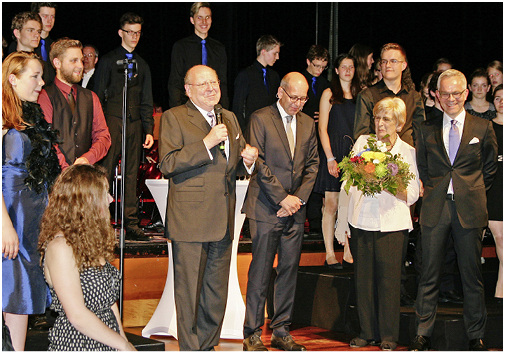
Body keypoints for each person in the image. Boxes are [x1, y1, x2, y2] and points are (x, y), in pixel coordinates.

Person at [158, 65, 258, 351]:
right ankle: (190, 348)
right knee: (189, 293)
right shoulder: (174, 117)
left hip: (223, 219)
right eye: (202, 84)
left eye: (214, 82)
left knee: (215, 293)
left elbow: (233, 165)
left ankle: (207, 346)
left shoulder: (229, 118)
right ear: (188, 90)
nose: (211, 88)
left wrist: (247, 160)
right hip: (190, 220)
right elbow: (168, 164)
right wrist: (206, 143)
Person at [410, 69, 498, 351]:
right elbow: (422, 168)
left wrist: (470, 191)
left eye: (456, 93)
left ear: (466, 94)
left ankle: (476, 334)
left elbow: (489, 169)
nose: (451, 99)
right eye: (445, 93)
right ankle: (422, 333)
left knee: (471, 275)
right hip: (435, 208)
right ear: (436, 94)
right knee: (428, 273)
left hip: (469, 209)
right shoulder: (425, 129)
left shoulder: (483, 128)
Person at [336, 97, 420, 351]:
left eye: (386, 119)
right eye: (377, 118)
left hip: (392, 224)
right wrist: (343, 221)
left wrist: (391, 185)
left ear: (399, 123)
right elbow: (348, 182)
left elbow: (414, 193)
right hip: (362, 220)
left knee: (389, 282)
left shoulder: (408, 151)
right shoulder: (363, 143)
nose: (380, 123)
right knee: (363, 280)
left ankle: (388, 336)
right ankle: (366, 332)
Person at [242, 72, 319, 351]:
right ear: (280, 92)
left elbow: (312, 165)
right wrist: (282, 198)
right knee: (260, 270)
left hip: (295, 209)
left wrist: (296, 199)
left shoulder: (308, 123)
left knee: (288, 269)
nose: (297, 103)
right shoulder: (260, 118)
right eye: (293, 97)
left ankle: (281, 329)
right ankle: (251, 332)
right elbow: (258, 164)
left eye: (303, 98)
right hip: (266, 207)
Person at [38, 164, 135, 351]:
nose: (111, 199)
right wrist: (123, 345)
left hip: (109, 339)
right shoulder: (60, 247)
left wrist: (124, 341)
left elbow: (109, 304)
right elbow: (77, 315)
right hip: (78, 343)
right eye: (104, 193)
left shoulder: (89, 240)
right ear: (85, 200)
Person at [2, 51, 61, 351]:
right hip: (10, 213)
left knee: (21, 294)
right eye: (34, 77)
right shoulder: (2, 116)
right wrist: (5, 226)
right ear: (12, 79)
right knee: (11, 287)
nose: (41, 83)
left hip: (32, 214)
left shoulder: (32, 115)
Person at [94, 12, 154, 241]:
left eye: (138, 32)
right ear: (121, 33)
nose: (134, 36)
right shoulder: (109, 61)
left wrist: (148, 129)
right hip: (111, 121)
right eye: (130, 32)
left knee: (131, 175)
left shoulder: (143, 65)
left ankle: (131, 223)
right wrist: (97, 128)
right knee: (104, 172)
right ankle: (99, 222)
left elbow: (147, 100)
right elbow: (97, 96)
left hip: (135, 124)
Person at [313, 53, 360, 269]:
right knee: (331, 205)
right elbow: (322, 128)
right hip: (333, 155)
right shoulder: (329, 94)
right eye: (344, 66)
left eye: (351, 66)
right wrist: (330, 157)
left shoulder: (361, 95)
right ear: (337, 70)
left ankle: (348, 251)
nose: (348, 70)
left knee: (350, 206)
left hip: (354, 157)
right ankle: (330, 253)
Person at [38, 38, 111, 170]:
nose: (80, 66)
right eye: (73, 61)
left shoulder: (91, 97)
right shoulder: (44, 97)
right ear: (57, 63)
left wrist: (87, 158)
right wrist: (67, 170)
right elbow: (45, 140)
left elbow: (103, 137)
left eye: (81, 60)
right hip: (55, 181)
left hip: (84, 178)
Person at [353, 43, 425, 147]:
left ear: (403, 65)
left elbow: (420, 135)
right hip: (378, 159)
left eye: (393, 61)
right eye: (384, 61)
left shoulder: (414, 97)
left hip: (408, 158)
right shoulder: (367, 95)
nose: (388, 65)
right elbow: (362, 136)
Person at [168, 2, 228, 109]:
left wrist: (223, 111)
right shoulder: (181, 47)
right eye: (199, 17)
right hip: (188, 108)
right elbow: (175, 83)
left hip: (212, 107)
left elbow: (222, 83)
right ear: (192, 20)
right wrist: (177, 111)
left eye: (207, 17)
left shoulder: (219, 48)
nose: (204, 22)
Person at [301, 44, 330, 239]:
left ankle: (314, 222)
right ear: (308, 62)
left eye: (322, 67)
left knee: (315, 177)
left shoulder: (326, 85)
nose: (319, 70)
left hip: (318, 136)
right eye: (316, 66)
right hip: (301, 134)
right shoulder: (298, 79)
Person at [232, 34, 281, 137]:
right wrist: (243, 133)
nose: (277, 57)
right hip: (251, 130)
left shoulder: (274, 76)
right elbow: (238, 108)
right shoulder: (245, 75)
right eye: (275, 53)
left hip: (271, 130)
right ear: (263, 52)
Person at [488, 84, 503, 302]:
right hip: (494, 191)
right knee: (501, 241)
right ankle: (500, 294)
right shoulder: (486, 127)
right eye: (498, 97)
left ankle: (501, 293)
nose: (501, 101)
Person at [31, 2, 57, 86]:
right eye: (45, 16)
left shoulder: (56, 46)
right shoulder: (26, 45)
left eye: (52, 16)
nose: (49, 20)